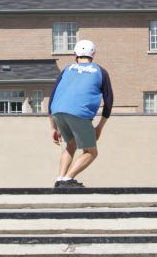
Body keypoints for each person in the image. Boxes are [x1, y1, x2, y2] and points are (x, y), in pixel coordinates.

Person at [48, 39, 113, 188]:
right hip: (79, 113)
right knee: (91, 152)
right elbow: (108, 101)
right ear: (93, 55)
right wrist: (99, 127)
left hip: (58, 111)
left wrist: (53, 127)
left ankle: (60, 179)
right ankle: (67, 179)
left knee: (70, 145)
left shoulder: (66, 69)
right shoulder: (100, 71)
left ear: (75, 55)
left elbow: (52, 97)